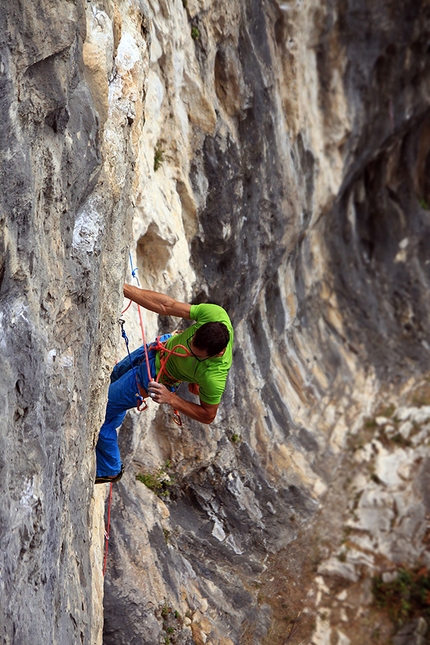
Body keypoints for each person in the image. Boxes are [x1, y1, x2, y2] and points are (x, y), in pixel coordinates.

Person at [94, 285, 234, 484]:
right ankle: (112, 422)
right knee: (114, 376)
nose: (187, 351)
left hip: (155, 379)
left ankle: (110, 468)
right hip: (157, 350)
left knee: (102, 406)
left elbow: (208, 415)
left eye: (195, 355)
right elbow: (167, 305)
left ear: (216, 355)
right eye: (191, 340)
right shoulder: (215, 315)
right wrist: (121, 287)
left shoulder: (214, 376)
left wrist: (172, 399)